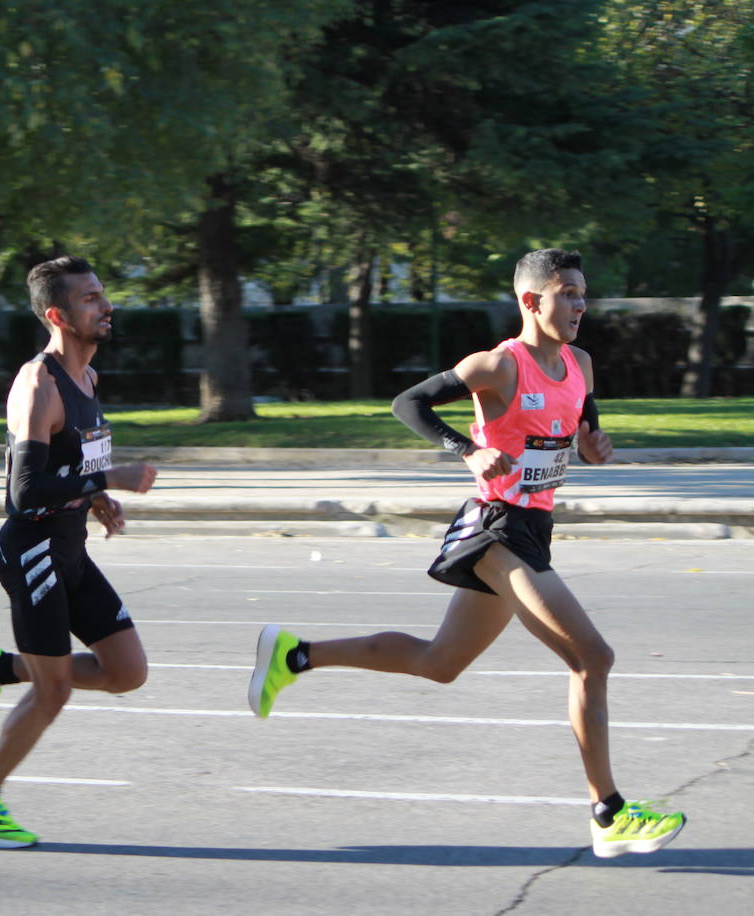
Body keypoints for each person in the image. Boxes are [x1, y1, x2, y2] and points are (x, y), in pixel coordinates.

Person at [247, 248, 686, 859]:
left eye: (584, 293)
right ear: (532, 301)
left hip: (535, 527)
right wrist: (467, 450)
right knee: (592, 657)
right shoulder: (497, 366)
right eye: (569, 293)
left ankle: (295, 656)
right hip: (496, 528)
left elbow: (579, 430)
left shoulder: (581, 363)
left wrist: (593, 445)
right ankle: (608, 814)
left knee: (440, 662)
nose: (582, 304)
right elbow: (408, 403)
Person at [0, 255, 158, 848]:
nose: (106, 305)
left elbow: (72, 464)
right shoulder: (38, 384)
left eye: (103, 292)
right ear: (58, 314)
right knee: (56, 688)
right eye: (91, 299)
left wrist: (94, 500)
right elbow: (26, 490)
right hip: (32, 550)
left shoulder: (87, 379)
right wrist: (109, 481)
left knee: (127, 671)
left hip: (70, 546)